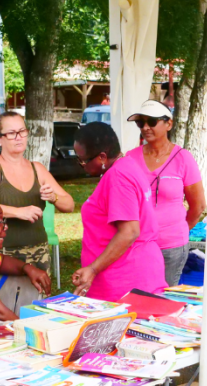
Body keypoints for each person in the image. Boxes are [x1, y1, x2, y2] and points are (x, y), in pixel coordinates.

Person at [0, 112, 74, 310]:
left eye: (22, 131)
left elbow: (69, 204)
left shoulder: (37, 168)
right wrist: (17, 211)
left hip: (39, 255)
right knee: (4, 315)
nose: (18, 137)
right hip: (3, 256)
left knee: (36, 315)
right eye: (11, 133)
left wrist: (53, 197)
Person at [70, 122, 168, 300]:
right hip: (135, 272)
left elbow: (129, 231)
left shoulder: (117, 177)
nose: (81, 165)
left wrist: (93, 268)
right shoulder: (128, 165)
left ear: (101, 157)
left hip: (124, 280)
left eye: (82, 160)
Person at [122, 100, 206, 287]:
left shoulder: (183, 158)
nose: (145, 127)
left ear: (169, 123)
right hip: (137, 244)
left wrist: (179, 230)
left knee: (165, 297)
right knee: (137, 294)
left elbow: (198, 205)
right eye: (140, 123)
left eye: (151, 122)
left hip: (171, 245)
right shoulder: (130, 158)